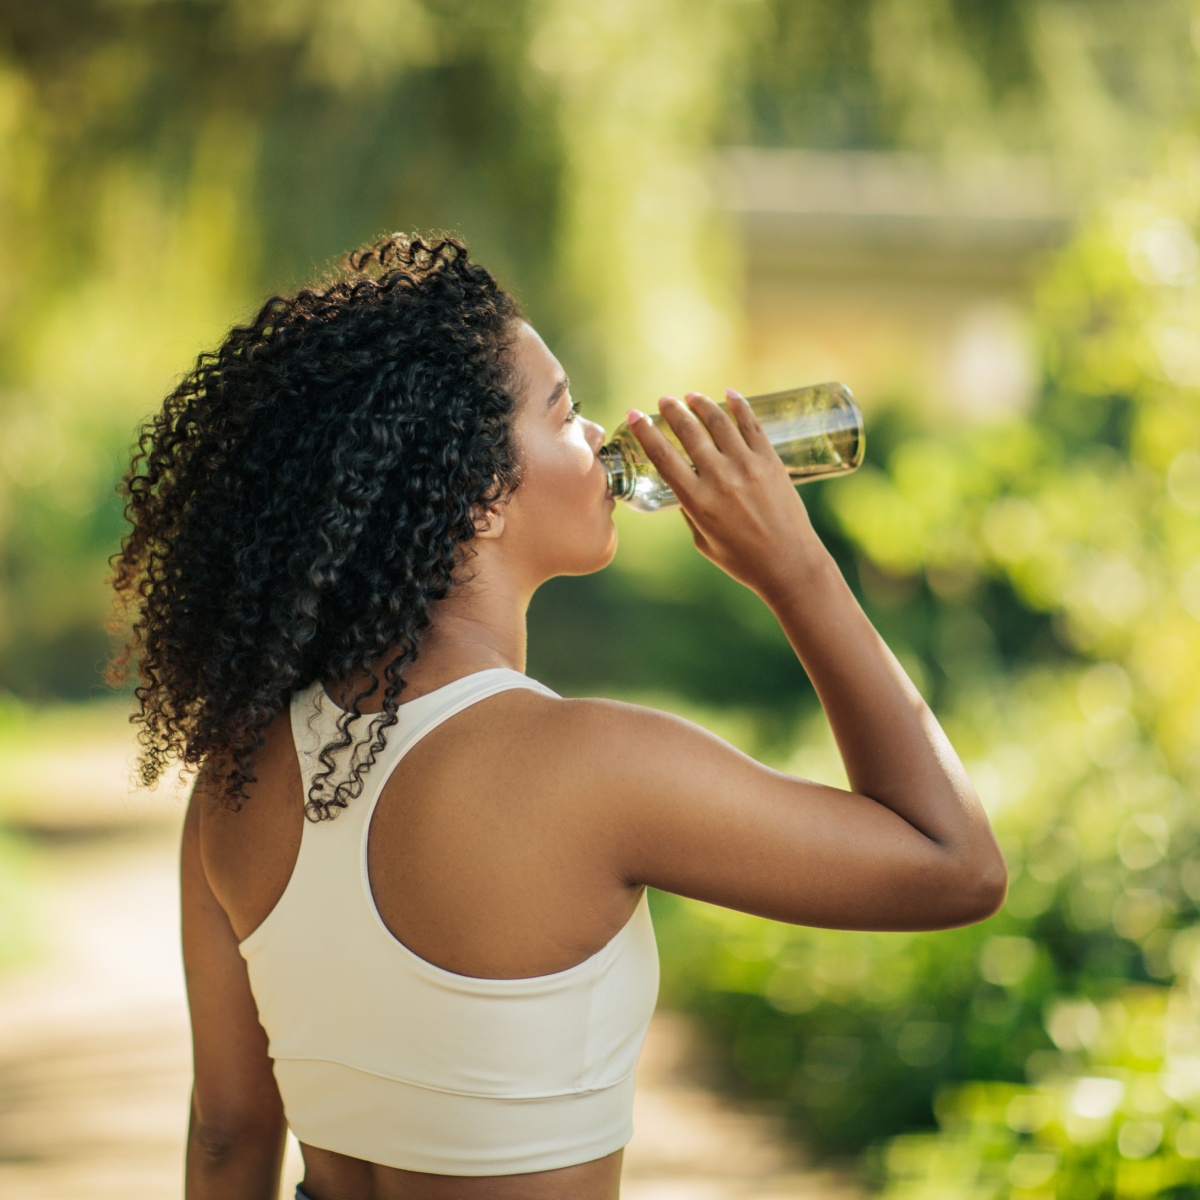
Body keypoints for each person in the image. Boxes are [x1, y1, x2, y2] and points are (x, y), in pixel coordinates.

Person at [106, 233, 1007, 1200]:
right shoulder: (588, 765)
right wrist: (797, 571)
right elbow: (955, 867)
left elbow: (228, 1138)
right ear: (479, 497)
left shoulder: (240, 772)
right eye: (564, 410)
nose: (601, 437)